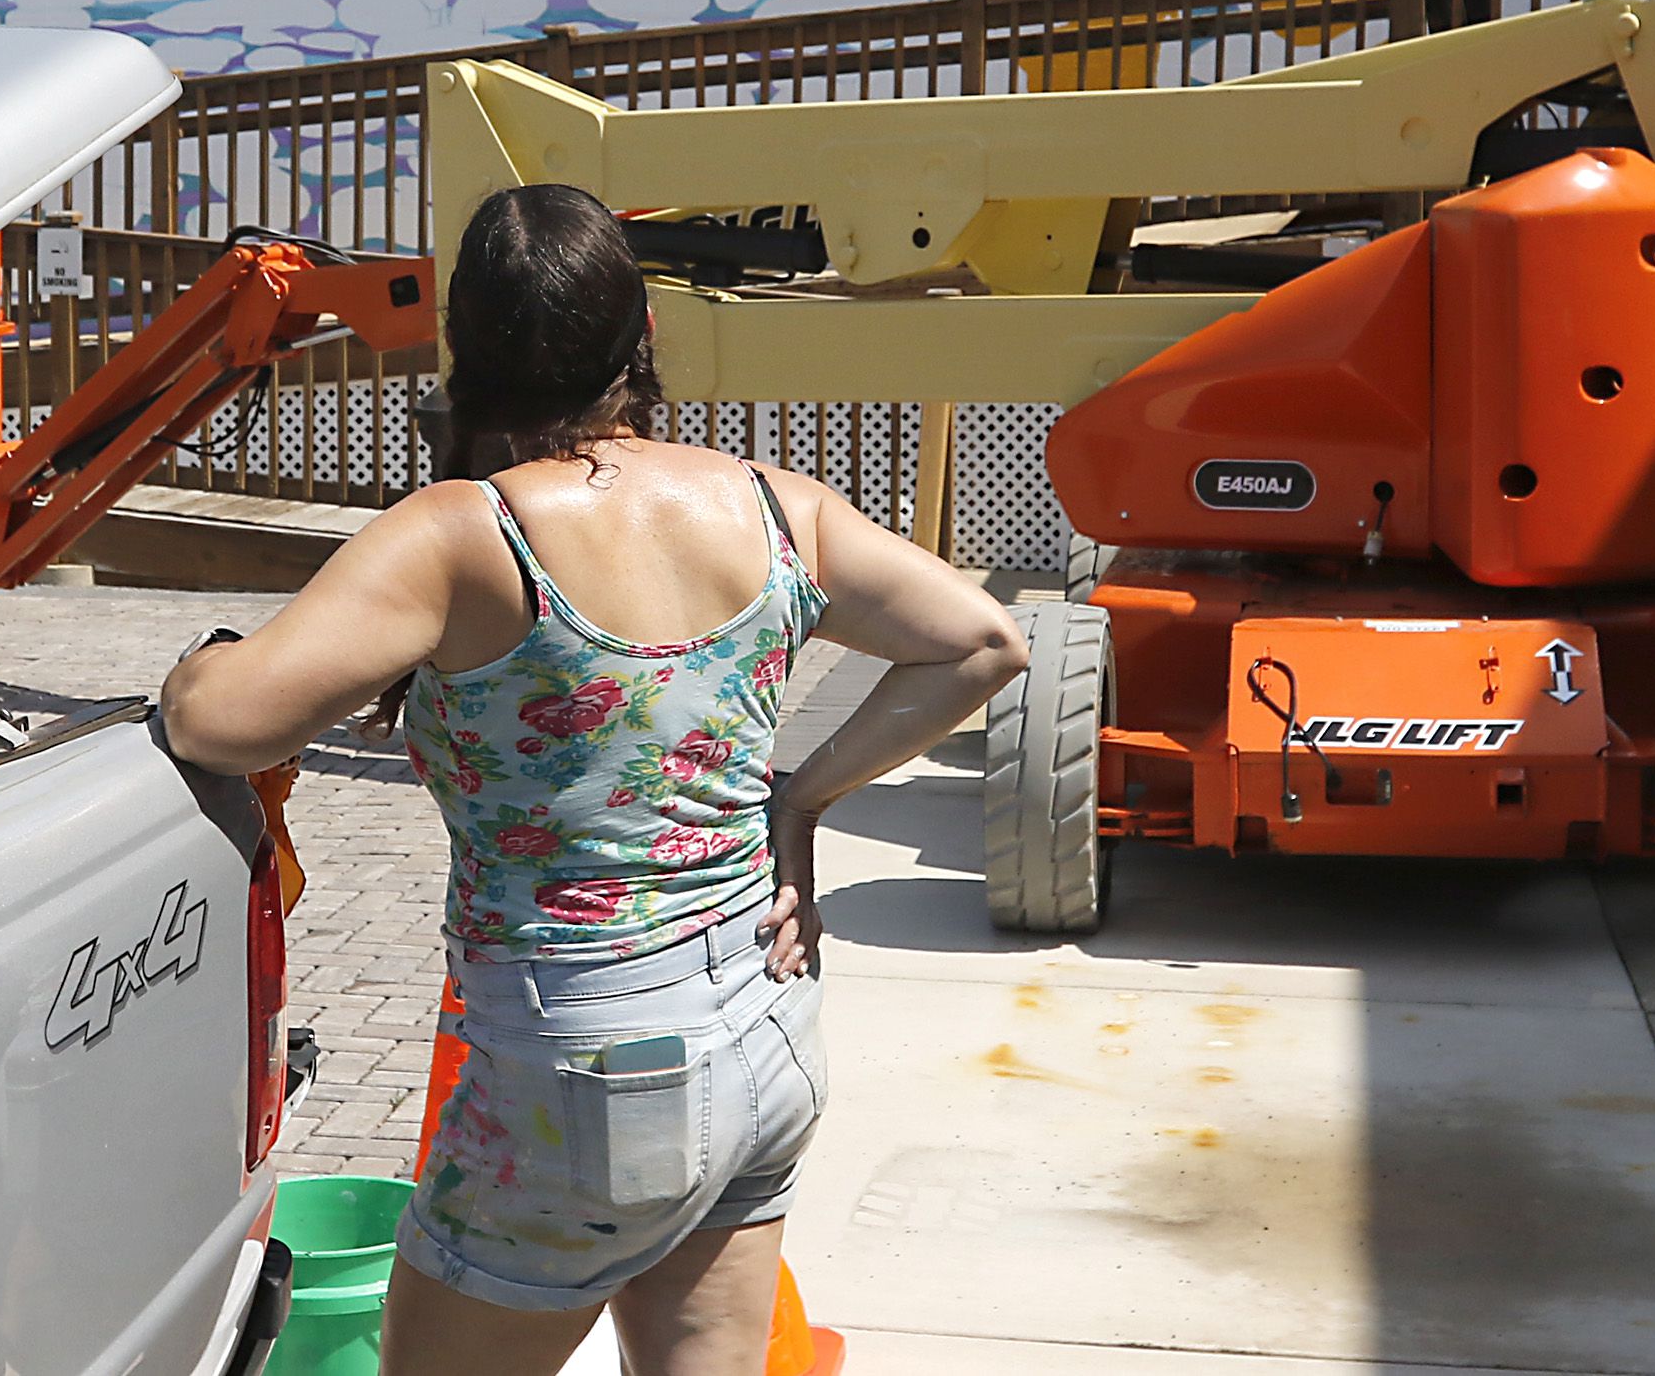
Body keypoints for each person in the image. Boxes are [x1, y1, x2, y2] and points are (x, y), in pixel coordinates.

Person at [161, 184, 1028, 1376]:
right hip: (765, 1032)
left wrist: (196, 665)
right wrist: (801, 793)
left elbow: (223, 722)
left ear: (467, 349)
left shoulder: (464, 533)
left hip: (576, 1069)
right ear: (646, 336)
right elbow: (984, 640)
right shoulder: (775, 505)